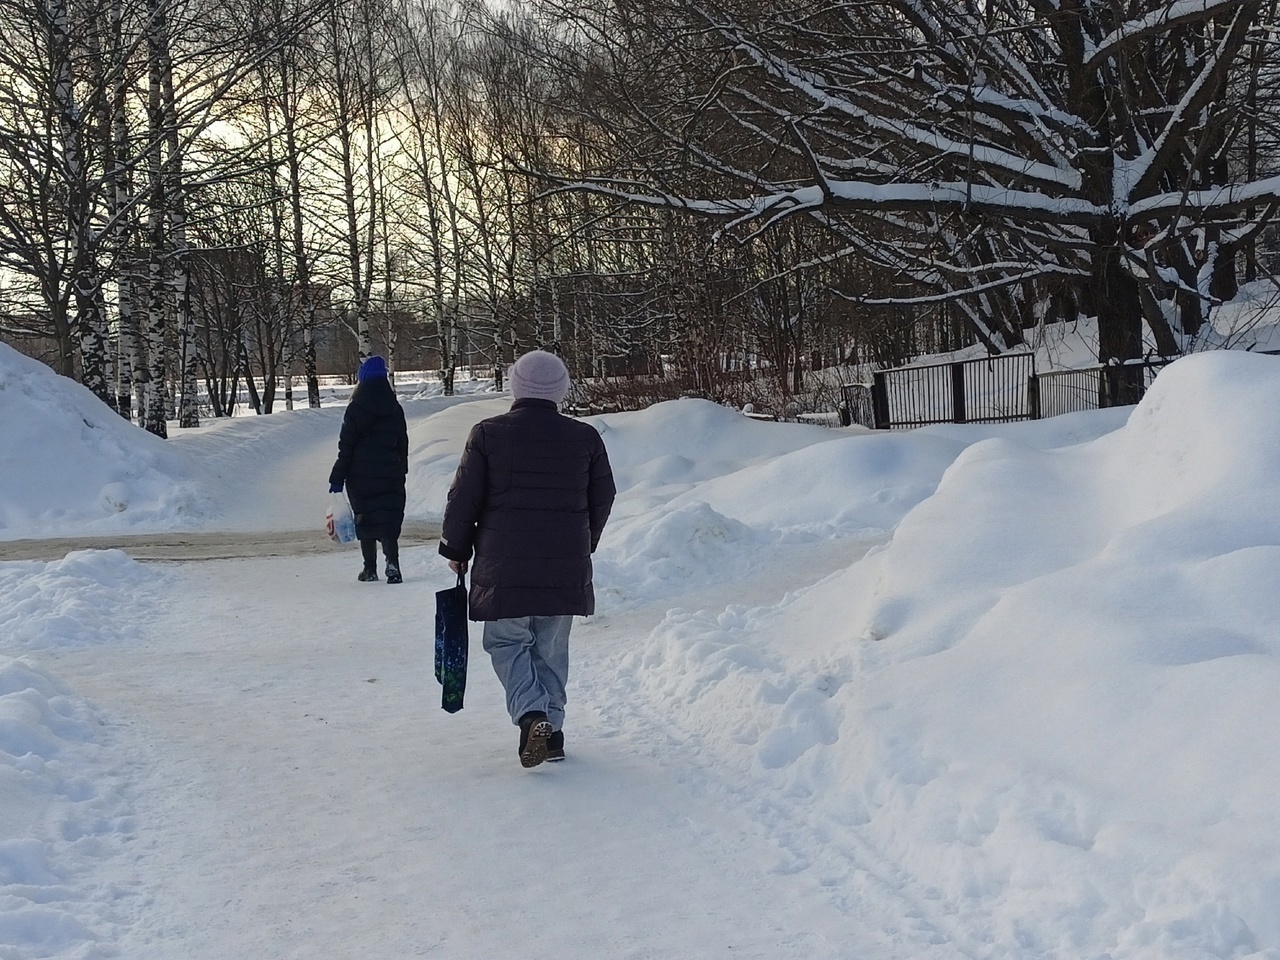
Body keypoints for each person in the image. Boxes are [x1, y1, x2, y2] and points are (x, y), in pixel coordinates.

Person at [439, 349, 615, 768]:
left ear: (515, 386)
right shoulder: (584, 437)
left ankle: (531, 714)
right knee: (552, 649)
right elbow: (603, 497)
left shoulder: (488, 434)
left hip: (504, 567)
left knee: (506, 642)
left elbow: (465, 498)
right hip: (564, 565)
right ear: (560, 390)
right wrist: (582, 543)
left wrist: (456, 550)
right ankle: (550, 733)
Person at [329, 355, 409, 584]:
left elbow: (346, 447)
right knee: (389, 520)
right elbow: (402, 442)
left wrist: (337, 477)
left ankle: (370, 569)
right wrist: (401, 468)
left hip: (360, 476)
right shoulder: (394, 408)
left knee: (366, 519)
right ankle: (393, 566)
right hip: (391, 473)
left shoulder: (355, 408)